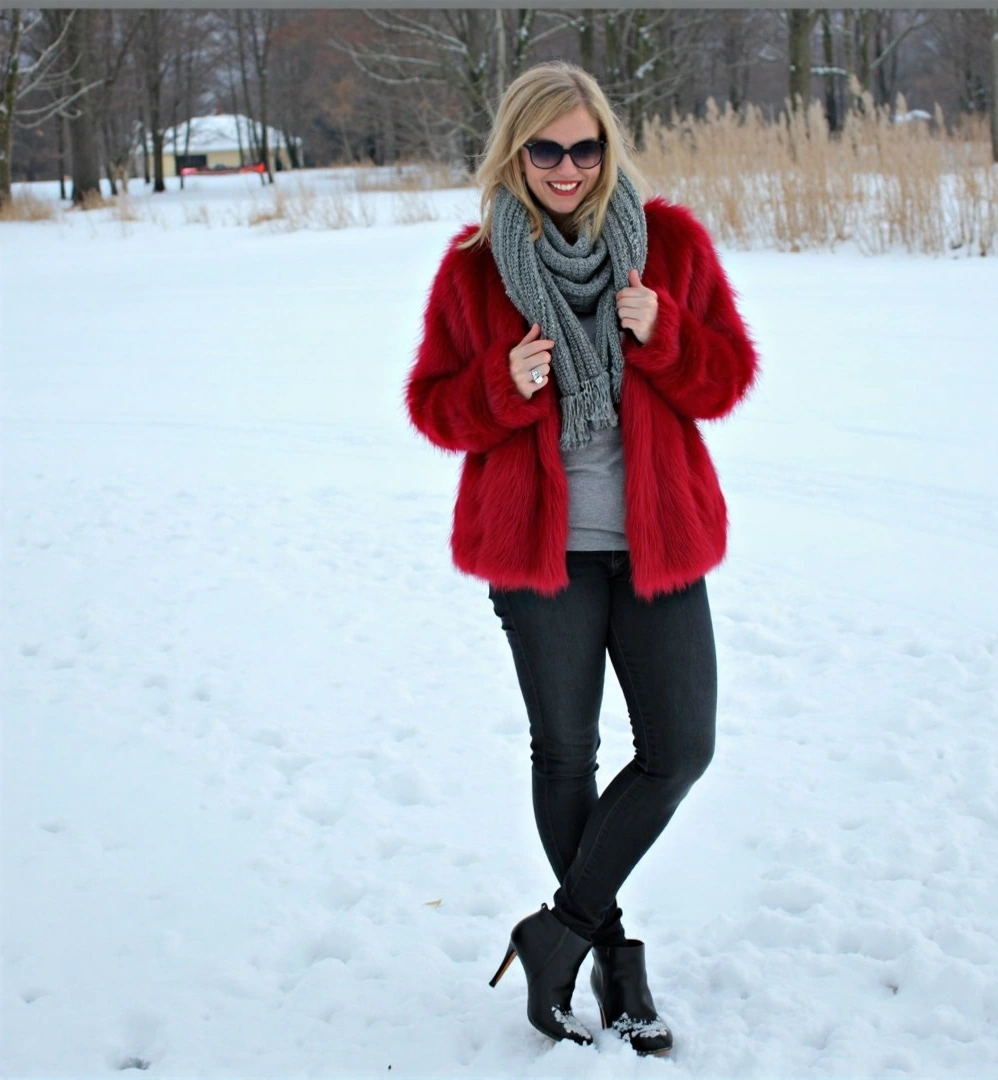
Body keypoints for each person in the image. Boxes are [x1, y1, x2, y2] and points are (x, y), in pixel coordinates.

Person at [405, 61, 758, 1055]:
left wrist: (669, 331)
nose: (568, 167)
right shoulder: (475, 267)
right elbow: (436, 408)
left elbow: (725, 378)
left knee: (680, 748)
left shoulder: (672, 247)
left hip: (659, 547)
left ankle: (556, 933)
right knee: (566, 751)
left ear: (608, 147)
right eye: (547, 149)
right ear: (516, 153)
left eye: (585, 146)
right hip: (540, 557)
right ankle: (609, 958)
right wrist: (498, 382)